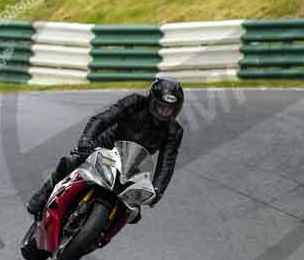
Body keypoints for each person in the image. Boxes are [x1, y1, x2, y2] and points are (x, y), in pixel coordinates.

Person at [27, 78, 185, 247]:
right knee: (72, 161)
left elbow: (167, 162)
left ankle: (102, 234)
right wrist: (86, 139)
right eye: (160, 106)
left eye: (169, 109)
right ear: (151, 101)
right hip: (106, 145)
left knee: (133, 211)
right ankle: (44, 193)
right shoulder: (134, 102)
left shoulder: (174, 131)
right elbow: (103, 119)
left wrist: (158, 189)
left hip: (135, 165)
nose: (164, 112)